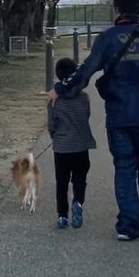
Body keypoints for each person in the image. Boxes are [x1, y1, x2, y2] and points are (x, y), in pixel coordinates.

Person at [48, 0, 139, 241]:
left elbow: (85, 72)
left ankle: (128, 225)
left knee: (124, 168)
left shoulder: (107, 39)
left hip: (120, 117)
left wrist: (60, 89)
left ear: (117, 9)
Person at [47, 57, 96, 231]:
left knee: (61, 182)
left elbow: (51, 124)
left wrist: (55, 136)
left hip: (61, 147)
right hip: (81, 145)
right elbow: (87, 116)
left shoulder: (53, 99)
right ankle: (78, 202)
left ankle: (62, 215)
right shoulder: (84, 98)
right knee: (80, 178)